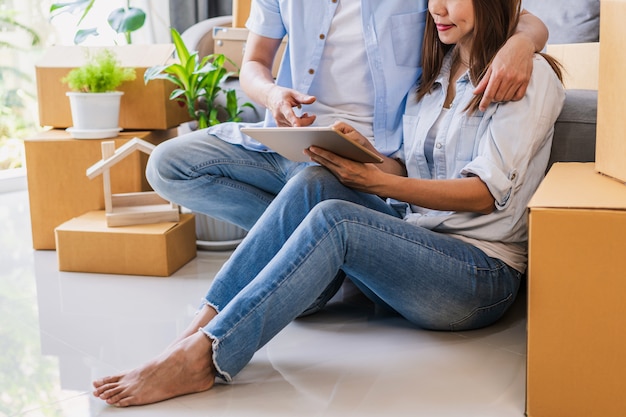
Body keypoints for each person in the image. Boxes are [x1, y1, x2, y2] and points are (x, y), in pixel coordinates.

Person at [92, 0, 565, 407]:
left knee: (335, 220)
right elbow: (411, 170)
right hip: (420, 241)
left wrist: (375, 183)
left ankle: (208, 356)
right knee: (315, 184)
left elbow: (484, 194)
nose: (435, 8)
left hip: (481, 276)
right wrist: (368, 161)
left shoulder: (527, 75)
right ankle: (197, 329)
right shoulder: (439, 71)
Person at [146, 0, 547, 316]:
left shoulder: (444, 20)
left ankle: (210, 332)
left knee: (315, 188)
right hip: (288, 140)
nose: (436, 7)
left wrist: (522, 43)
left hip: (368, 160)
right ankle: (311, 262)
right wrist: (273, 96)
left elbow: (508, 14)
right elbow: (253, 63)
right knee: (168, 164)